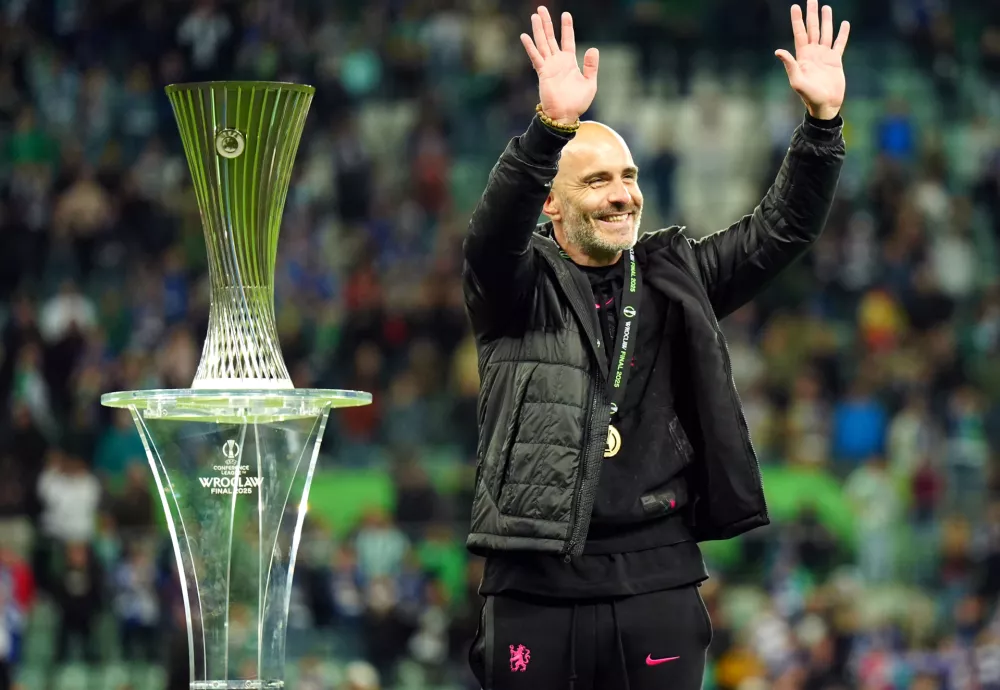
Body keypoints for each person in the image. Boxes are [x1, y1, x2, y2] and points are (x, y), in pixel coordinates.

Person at [462, 3, 849, 689]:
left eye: (630, 177)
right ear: (550, 204)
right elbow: (491, 237)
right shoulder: (515, 290)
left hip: (657, 577)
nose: (622, 196)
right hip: (535, 579)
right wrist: (548, 131)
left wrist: (821, 129)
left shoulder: (677, 274)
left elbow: (781, 229)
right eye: (598, 180)